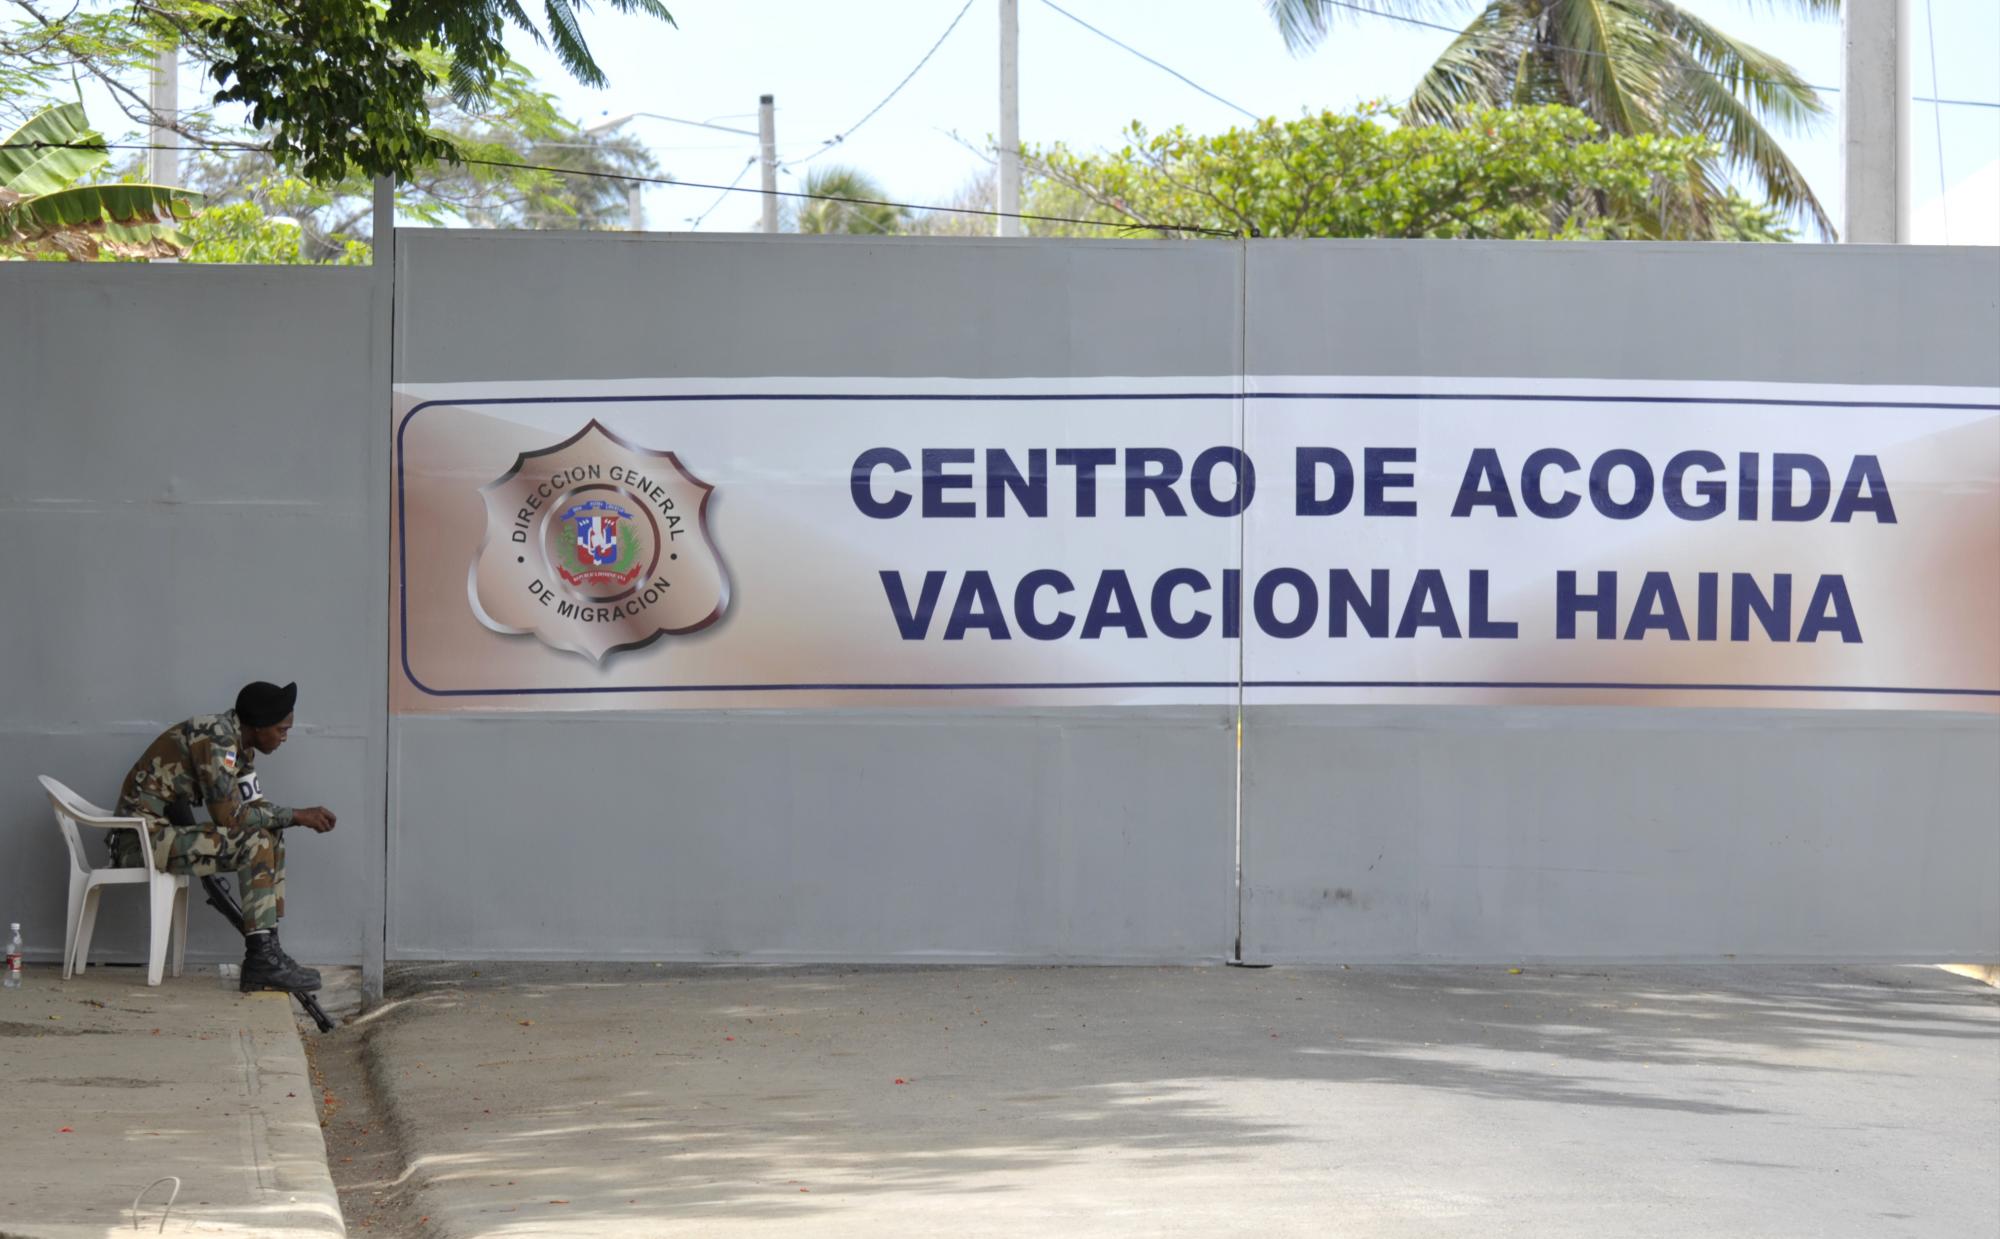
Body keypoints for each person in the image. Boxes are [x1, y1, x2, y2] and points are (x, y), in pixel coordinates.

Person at [109, 681, 337, 994]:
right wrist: (297, 814)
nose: (285, 737)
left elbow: (254, 806)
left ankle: (268, 947)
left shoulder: (240, 749)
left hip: (165, 834)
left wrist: (293, 818)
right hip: (140, 841)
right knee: (255, 842)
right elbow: (230, 818)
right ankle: (261, 957)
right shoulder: (215, 737)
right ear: (258, 726)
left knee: (270, 835)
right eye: (282, 729)